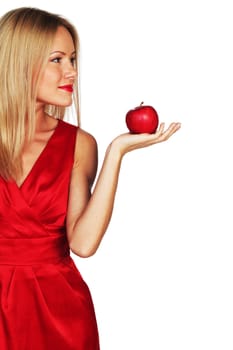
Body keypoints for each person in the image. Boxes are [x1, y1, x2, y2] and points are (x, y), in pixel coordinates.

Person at [0, 6, 181, 350]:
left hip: (59, 314)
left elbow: (82, 244)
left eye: (73, 59)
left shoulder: (79, 144)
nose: (71, 72)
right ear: (19, 63)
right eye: (57, 60)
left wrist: (117, 151)